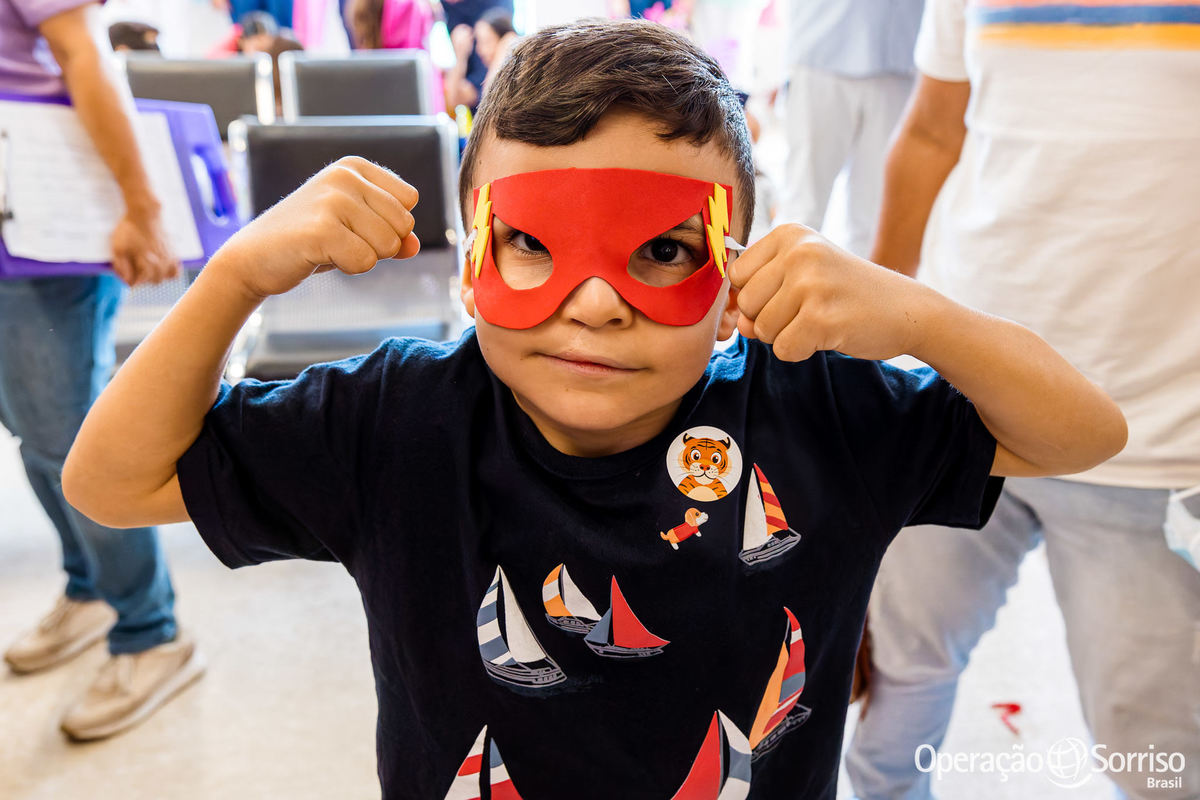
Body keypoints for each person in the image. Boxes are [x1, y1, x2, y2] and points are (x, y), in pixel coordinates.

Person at [63, 18, 1126, 797]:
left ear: (731, 282)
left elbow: (1084, 433)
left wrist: (922, 318)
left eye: (662, 250)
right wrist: (231, 279)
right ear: (469, 258)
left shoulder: (820, 413)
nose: (597, 303)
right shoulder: (397, 423)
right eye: (532, 241)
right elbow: (107, 483)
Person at [843, 1, 1200, 798]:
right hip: (964, 400)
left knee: (1155, 749)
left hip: (1160, 437)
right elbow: (935, 134)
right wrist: (872, 370)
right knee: (898, 680)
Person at [0, 0, 202, 740]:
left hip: (44, 207)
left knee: (69, 441)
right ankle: (90, 588)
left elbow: (87, 55)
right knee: (31, 432)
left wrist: (143, 208)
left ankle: (151, 632)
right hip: (10, 223)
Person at [777, 0, 924, 258]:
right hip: (821, 50)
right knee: (802, 209)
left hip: (900, 56)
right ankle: (775, 294)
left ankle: (870, 297)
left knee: (876, 216)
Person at [444, 6, 516, 109]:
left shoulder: (511, 77)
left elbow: (492, 102)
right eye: (478, 42)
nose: (480, 50)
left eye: (486, 42)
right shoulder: (480, 75)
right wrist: (460, 56)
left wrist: (507, 42)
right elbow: (454, 99)